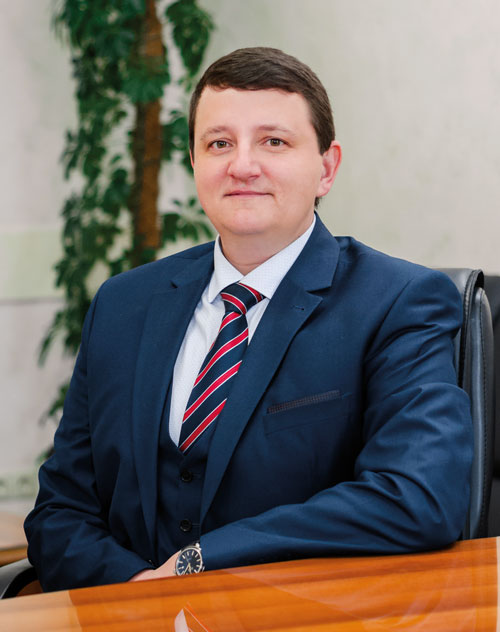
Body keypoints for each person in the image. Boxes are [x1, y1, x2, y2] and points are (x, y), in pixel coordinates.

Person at [25, 47, 473, 591]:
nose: (241, 165)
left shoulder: (398, 301)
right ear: (195, 164)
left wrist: (200, 562)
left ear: (326, 168)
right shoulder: (122, 304)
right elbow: (61, 511)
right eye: (219, 143)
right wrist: (140, 592)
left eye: (273, 141)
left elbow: (417, 497)